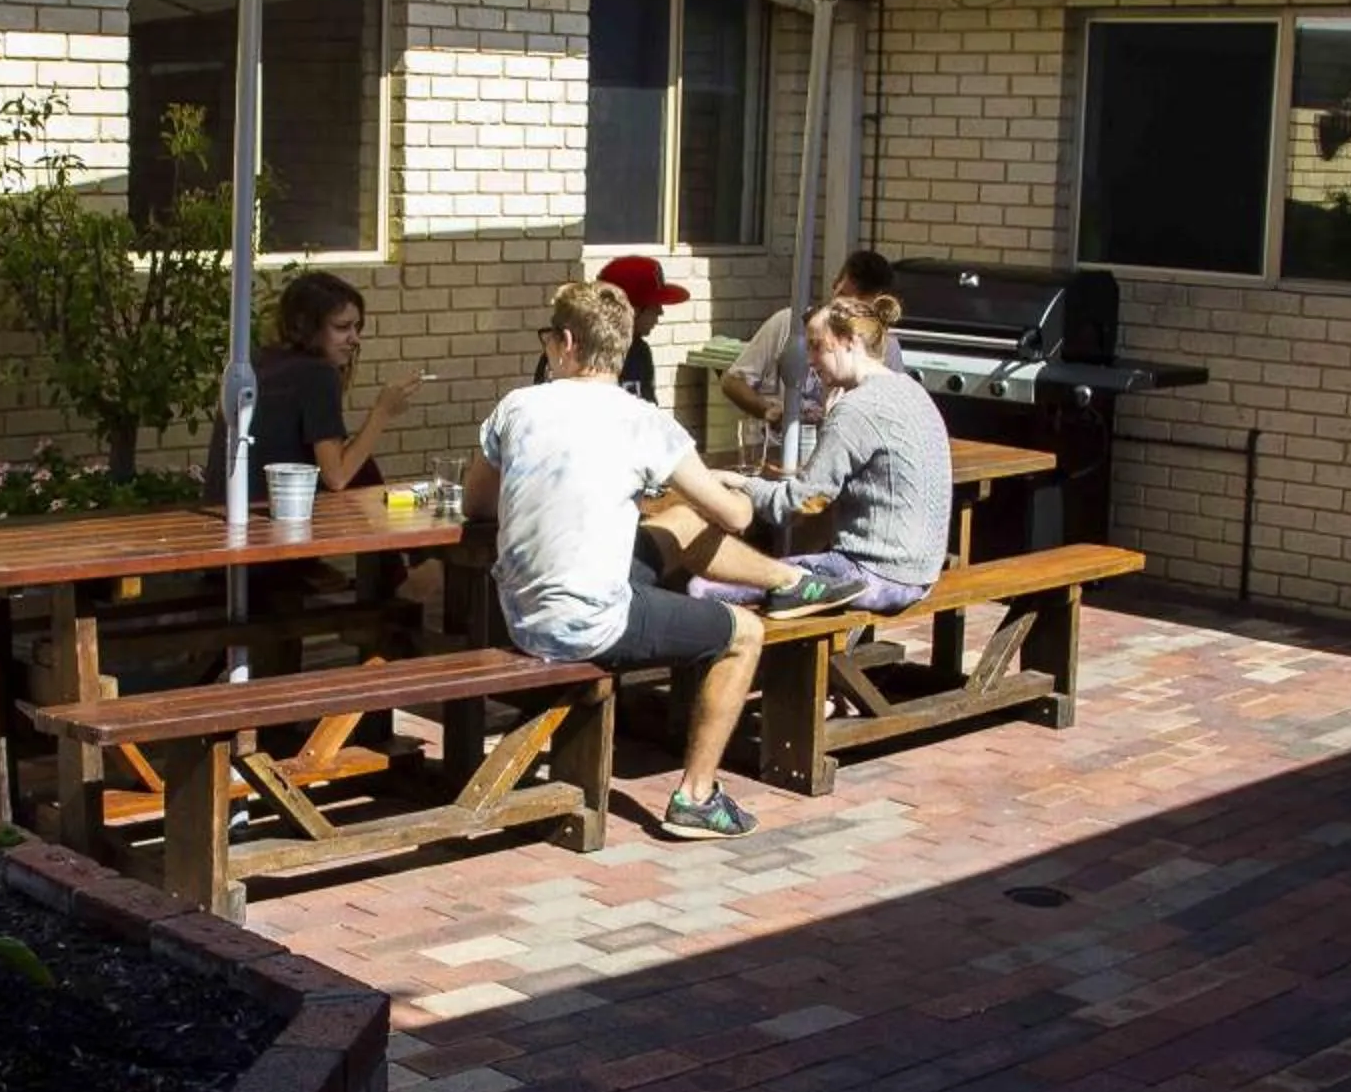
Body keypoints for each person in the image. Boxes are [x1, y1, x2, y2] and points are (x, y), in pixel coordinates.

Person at [465, 280, 867, 842]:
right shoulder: (645, 422)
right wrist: (721, 483)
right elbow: (735, 518)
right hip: (588, 624)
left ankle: (793, 581)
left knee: (681, 521)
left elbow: (475, 503)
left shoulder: (517, 407)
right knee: (745, 632)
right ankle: (695, 797)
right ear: (623, 346)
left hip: (523, 610)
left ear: (563, 342)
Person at [700, 293, 953, 614]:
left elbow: (800, 505)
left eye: (817, 345)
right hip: (920, 575)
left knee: (703, 585)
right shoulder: (911, 390)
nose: (808, 359)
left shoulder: (856, 409)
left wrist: (738, 483)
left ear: (850, 342)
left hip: (873, 575)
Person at [203, 270, 423, 504]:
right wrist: (383, 411)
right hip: (271, 520)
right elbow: (337, 477)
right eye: (342, 327)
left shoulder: (256, 363)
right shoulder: (317, 374)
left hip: (227, 511)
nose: (355, 339)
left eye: (357, 327)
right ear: (306, 327)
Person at [721, 248, 905, 438]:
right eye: (843, 301)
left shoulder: (886, 346)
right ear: (835, 286)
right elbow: (732, 381)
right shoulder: (787, 322)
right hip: (778, 448)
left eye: (859, 312)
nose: (846, 316)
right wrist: (768, 410)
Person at [528, 253, 683, 402]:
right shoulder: (567, 352)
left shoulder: (640, 352)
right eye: (654, 305)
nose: (660, 312)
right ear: (630, 308)